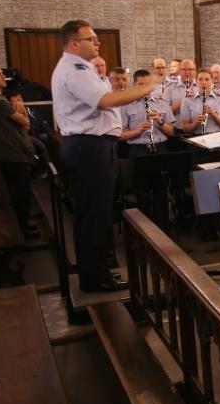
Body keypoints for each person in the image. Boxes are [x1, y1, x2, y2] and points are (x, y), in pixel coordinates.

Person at [51, 20, 159, 292]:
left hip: (92, 147)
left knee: (96, 212)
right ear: (74, 43)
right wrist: (148, 86)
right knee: (94, 214)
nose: (98, 43)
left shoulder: (80, 68)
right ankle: (94, 277)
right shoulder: (75, 69)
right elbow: (106, 101)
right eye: (92, 39)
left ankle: (96, 271)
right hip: (89, 148)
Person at [120, 69, 176, 227]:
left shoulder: (162, 104)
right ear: (134, 85)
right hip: (138, 152)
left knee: (161, 192)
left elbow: (171, 131)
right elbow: (120, 135)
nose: (144, 88)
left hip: (159, 150)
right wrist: (138, 131)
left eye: (147, 85)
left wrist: (159, 121)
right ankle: (144, 232)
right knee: (141, 194)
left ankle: (162, 228)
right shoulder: (126, 106)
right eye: (140, 85)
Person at [0, 65, 36, 235]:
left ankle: (21, 226)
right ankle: (21, 230)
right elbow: (25, 123)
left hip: (2, 153)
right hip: (13, 153)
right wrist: (21, 109)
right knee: (21, 195)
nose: (3, 77)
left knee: (15, 193)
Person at [181, 68, 220, 134]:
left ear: (212, 81)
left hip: (217, 138)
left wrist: (214, 114)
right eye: (200, 79)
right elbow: (185, 129)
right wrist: (195, 123)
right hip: (196, 139)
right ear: (196, 81)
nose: (204, 82)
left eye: (207, 79)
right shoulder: (187, 100)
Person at [163, 59, 196, 124]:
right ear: (180, 71)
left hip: (198, 130)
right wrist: (181, 103)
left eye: (190, 69)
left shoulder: (201, 87)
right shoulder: (170, 87)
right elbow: (164, 113)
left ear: (195, 71)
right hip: (177, 131)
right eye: (184, 69)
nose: (187, 72)